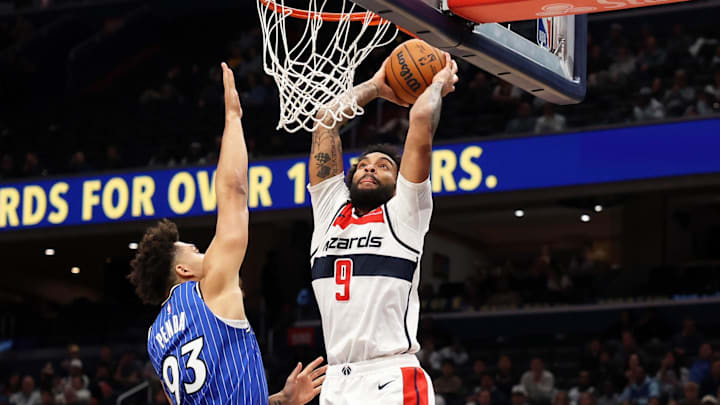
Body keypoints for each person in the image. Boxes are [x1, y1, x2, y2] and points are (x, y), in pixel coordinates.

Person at [128, 63, 325, 405]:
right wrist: (233, 119)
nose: (207, 253)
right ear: (183, 271)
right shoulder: (208, 291)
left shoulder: (155, 338)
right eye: (195, 251)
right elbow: (233, 191)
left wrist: (279, 400)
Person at [306, 50, 458, 405]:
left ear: (397, 181)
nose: (370, 169)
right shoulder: (330, 211)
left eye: (383, 166)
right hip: (336, 381)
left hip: (390, 377)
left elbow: (420, 121)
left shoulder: (405, 213)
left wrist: (436, 84)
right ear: (350, 176)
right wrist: (375, 86)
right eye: (363, 165)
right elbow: (325, 120)